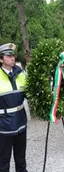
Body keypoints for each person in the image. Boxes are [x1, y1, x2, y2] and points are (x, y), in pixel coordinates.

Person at [0, 43, 28, 171]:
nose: (12, 58)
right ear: (1, 59)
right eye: (8, 55)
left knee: (21, 155)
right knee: (3, 158)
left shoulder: (20, 73)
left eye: (13, 55)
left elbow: (30, 93)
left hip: (20, 120)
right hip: (4, 123)